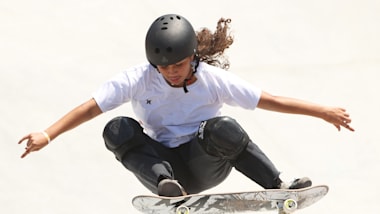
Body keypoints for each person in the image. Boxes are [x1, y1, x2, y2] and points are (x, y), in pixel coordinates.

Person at [18, 14, 354, 197]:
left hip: (204, 162)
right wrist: (48, 135)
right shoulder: (137, 78)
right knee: (117, 128)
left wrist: (322, 111)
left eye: (177, 66)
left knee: (222, 127)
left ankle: (276, 187)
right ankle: (168, 189)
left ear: (192, 56)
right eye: (162, 68)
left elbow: (271, 100)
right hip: (161, 166)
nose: (170, 74)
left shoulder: (212, 79)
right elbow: (91, 107)